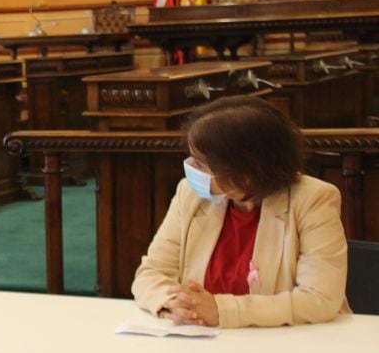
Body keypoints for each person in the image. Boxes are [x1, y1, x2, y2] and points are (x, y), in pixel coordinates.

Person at [133, 95, 349, 328]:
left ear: (245, 172)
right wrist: (177, 304)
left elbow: (320, 299)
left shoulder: (313, 199)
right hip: (201, 345)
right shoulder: (190, 194)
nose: (191, 168)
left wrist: (222, 311)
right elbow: (151, 273)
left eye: (201, 163)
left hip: (289, 346)